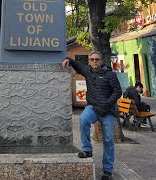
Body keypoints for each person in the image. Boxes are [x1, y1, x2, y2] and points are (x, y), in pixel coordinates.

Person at [62, 51, 122, 180]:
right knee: (83, 119)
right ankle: (87, 149)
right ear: (89, 61)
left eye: (97, 59)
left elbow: (117, 91)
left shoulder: (110, 75)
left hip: (107, 111)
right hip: (93, 108)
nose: (94, 62)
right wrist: (69, 60)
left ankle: (107, 171)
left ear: (101, 61)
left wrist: (106, 103)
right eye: (92, 59)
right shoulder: (87, 71)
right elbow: (76, 64)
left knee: (108, 141)